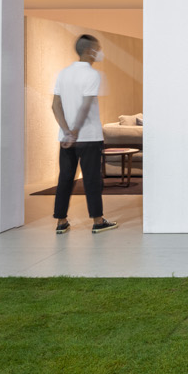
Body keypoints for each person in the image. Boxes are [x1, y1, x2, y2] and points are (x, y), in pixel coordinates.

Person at [52, 33, 118, 234]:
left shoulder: (63, 73)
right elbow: (85, 106)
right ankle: (98, 221)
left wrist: (66, 132)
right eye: (98, 49)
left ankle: (61, 222)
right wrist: (75, 132)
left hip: (66, 139)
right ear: (90, 51)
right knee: (92, 179)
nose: (100, 53)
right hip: (89, 137)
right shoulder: (92, 75)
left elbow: (55, 105)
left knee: (65, 178)